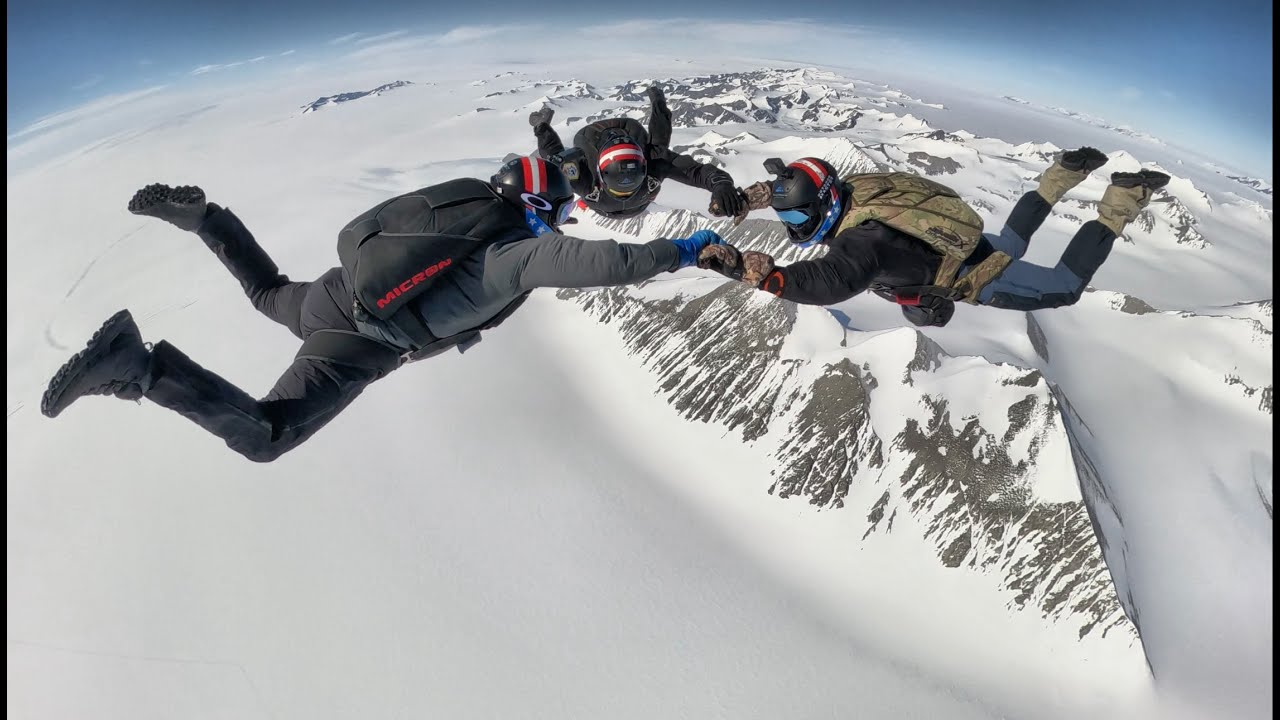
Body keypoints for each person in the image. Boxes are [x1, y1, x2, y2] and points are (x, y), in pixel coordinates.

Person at [40, 156, 725, 462]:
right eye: (562, 210)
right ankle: (139, 368)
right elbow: (604, 262)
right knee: (266, 437)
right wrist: (686, 252)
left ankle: (209, 220)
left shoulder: (467, 210)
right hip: (359, 343)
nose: (567, 218)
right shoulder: (515, 250)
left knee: (266, 292)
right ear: (541, 208)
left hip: (329, 296)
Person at [697, 148, 1170, 326]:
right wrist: (749, 197)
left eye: (801, 215)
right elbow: (794, 185)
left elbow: (827, 282)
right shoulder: (855, 188)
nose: (796, 224)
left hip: (969, 273)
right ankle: (1061, 175)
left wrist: (751, 272)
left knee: (1065, 288)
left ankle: (1123, 201)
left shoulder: (862, 245)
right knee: (1011, 243)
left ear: (824, 204)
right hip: (955, 241)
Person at [529, 85, 746, 220]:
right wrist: (721, 184)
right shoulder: (654, 164)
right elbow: (699, 173)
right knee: (659, 149)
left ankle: (659, 102)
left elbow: (552, 156)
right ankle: (659, 102)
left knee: (657, 148)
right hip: (631, 198)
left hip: (605, 196)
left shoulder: (582, 175)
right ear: (642, 167)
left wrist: (541, 128)